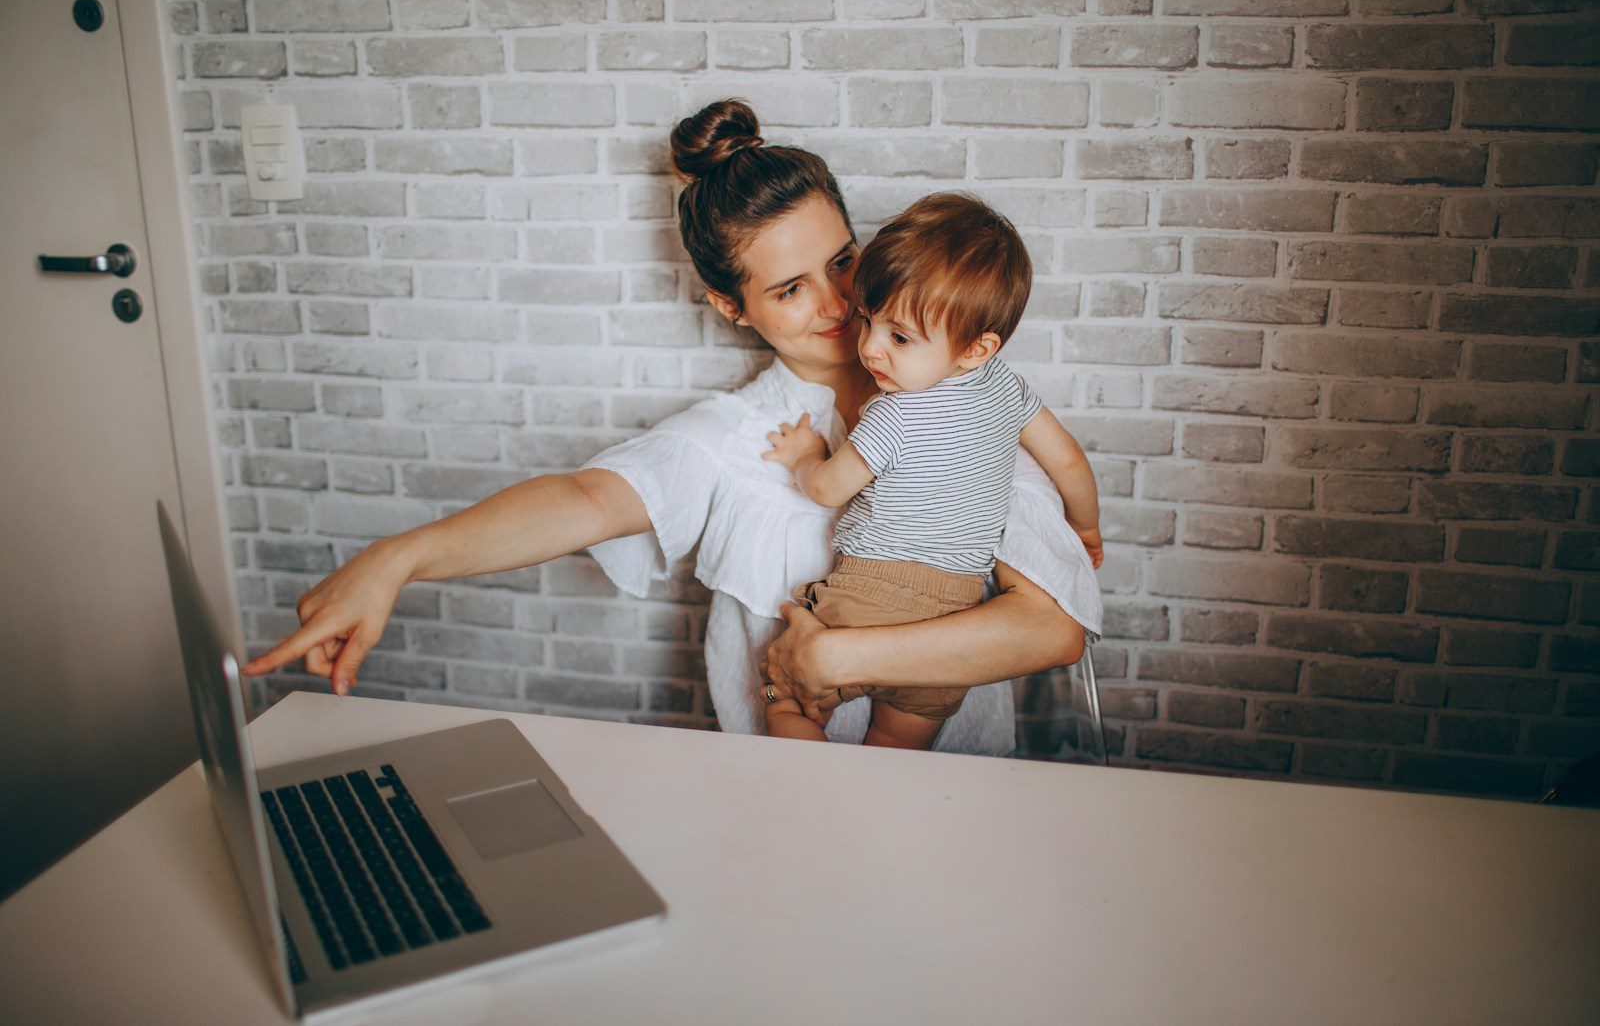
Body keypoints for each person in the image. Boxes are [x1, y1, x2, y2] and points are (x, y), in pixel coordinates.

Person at [241, 98, 1103, 756]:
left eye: (843, 260)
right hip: (785, 822)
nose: (840, 303)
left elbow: (1052, 627)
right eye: (789, 288)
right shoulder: (733, 437)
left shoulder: (967, 401)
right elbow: (584, 500)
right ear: (733, 306)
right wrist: (397, 558)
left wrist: (833, 662)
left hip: (956, 811)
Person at [761, 192, 1102, 749]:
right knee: (898, 755)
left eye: (899, 337)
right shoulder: (1008, 388)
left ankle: (808, 784)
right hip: (951, 623)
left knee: (785, 697)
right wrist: (1085, 528)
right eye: (868, 320)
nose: (870, 348)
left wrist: (803, 455)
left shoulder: (893, 415)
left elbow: (826, 488)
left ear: (976, 348)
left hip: (865, 597)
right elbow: (1068, 459)